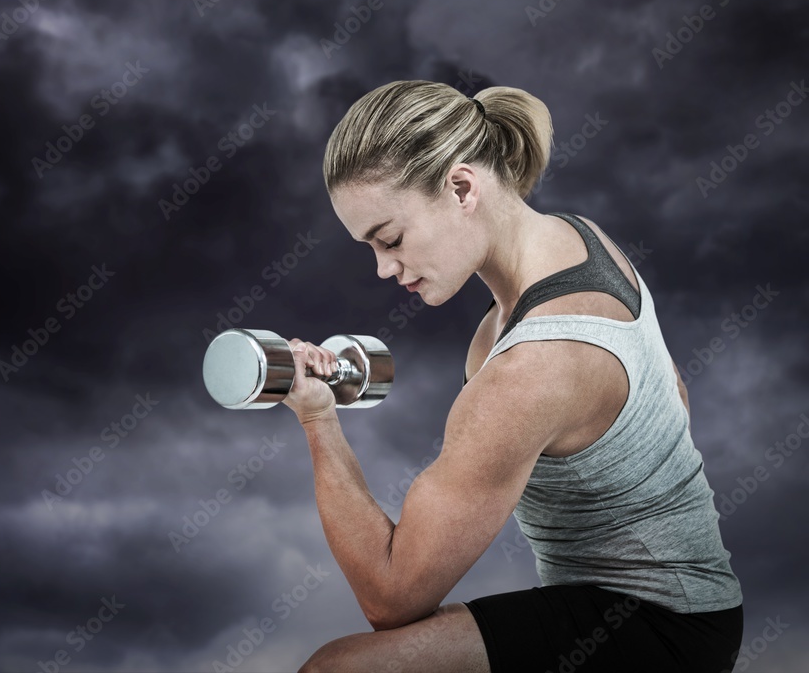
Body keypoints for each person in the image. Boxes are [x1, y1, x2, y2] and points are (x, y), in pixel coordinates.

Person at [284, 81, 743, 673]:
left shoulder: (533, 366)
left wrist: (318, 415)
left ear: (461, 186)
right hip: (692, 607)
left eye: (391, 239)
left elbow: (391, 596)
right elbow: (672, 393)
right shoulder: (579, 241)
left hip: (663, 626)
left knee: (338, 669)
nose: (383, 267)